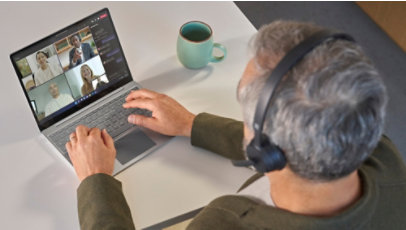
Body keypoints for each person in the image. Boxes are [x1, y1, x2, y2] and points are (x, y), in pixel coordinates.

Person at [66, 21, 406, 229]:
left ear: (264, 149)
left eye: (245, 111)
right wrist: (191, 124)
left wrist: (96, 182)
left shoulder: (225, 223)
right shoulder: (385, 158)